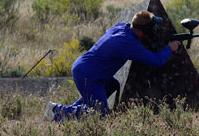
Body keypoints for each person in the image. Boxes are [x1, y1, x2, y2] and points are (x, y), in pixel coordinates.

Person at [44, 10, 180, 121]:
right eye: (152, 27)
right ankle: (56, 111)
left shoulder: (121, 27)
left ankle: (70, 112)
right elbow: (156, 61)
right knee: (99, 114)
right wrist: (170, 48)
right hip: (89, 75)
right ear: (144, 30)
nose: (154, 29)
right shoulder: (127, 43)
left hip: (86, 67)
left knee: (112, 85)